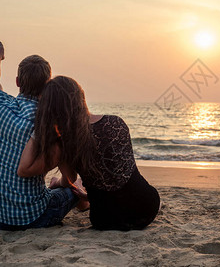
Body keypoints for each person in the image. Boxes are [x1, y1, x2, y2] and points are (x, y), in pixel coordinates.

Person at [17, 76, 160, 230]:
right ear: (82, 96)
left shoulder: (66, 142)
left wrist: (56, 183)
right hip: (146, 208)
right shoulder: (116, 123)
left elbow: (69, 180)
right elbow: (119, 173)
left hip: (105, 219)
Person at [0, 42, 78, 231]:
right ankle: (83, 203)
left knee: (55, 187)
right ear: (48, 84)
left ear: (18, 81)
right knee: (73, 188)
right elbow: (70, 176)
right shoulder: (46, 122)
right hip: (31, 217)